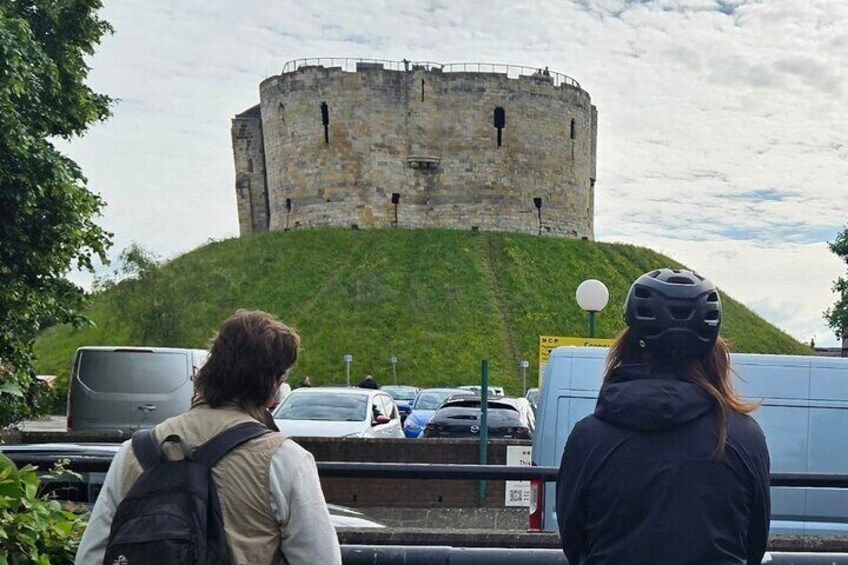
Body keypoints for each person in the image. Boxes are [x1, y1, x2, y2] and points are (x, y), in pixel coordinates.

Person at [76, 309, 341, 565]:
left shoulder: (135, 452)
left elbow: (90, 556)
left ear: (207, 370)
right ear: (274, 384)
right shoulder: (285, 459)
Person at [556, 269, 770, 565]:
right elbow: (753, 544)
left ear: (630, 341)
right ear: (711, 347)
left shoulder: (588, 437)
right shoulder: (744, 437)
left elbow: (574, 541)